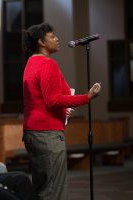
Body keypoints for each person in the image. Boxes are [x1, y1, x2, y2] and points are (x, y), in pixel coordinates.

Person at [22, 22, 102, 200]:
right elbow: (53, 100)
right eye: (52, 36)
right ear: (42, 42)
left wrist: (63, 112)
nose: (57, 39)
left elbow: (39, 100)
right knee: (53, 192)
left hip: (33, 132)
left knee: (42, 189)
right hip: (47, 134)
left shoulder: (31, 62)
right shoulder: (47, 64)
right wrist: (87, 97)